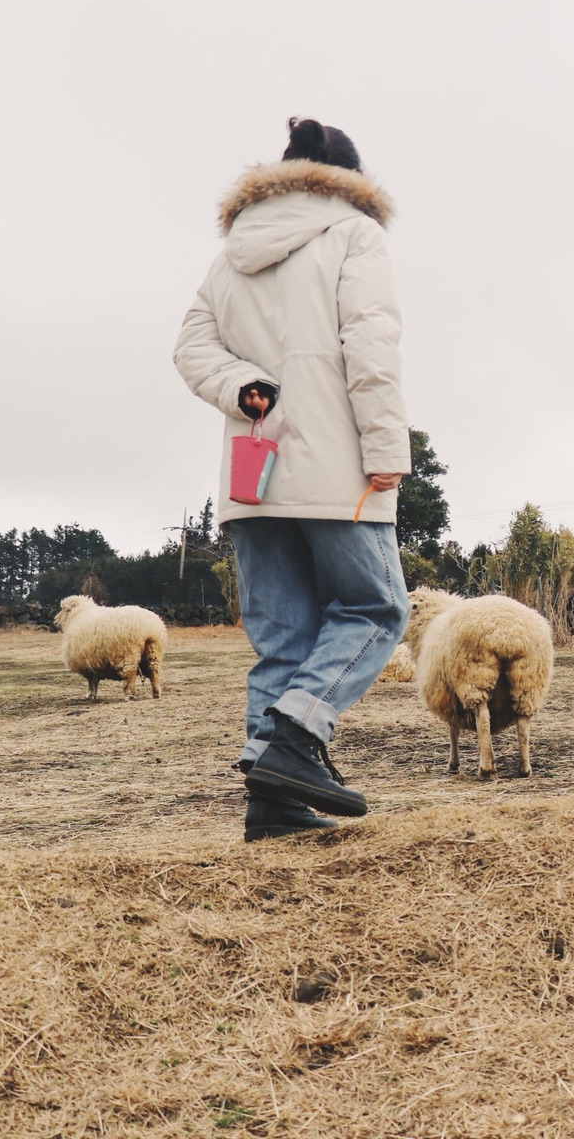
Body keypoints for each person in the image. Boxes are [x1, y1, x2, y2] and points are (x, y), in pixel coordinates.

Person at [174, 118, 411, 839]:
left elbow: (190, 346)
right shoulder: (354, 235)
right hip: (332, 467)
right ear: (349, 181)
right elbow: (370, 346)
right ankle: (294, 735)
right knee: (377, 610)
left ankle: (272, 804)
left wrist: (243, 383)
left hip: (254, 473)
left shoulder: (231, 257)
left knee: (285, 638)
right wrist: (387, 447)